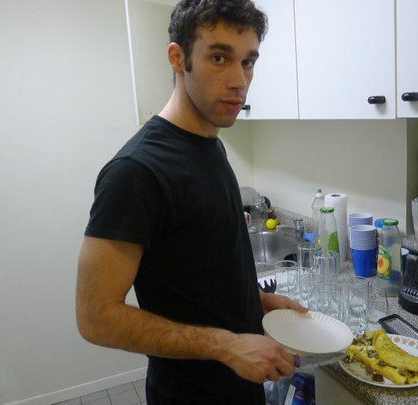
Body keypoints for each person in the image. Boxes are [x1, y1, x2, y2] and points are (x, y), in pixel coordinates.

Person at [75, 1, 306, 404]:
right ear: (178, 58)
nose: (240, 80)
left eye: (248, 62)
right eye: (220, 57)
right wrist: (226, 345)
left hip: (241, 388)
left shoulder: (209, 145)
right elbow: (96, 318)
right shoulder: (137, 171)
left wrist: (256, 302)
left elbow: (198, 270)